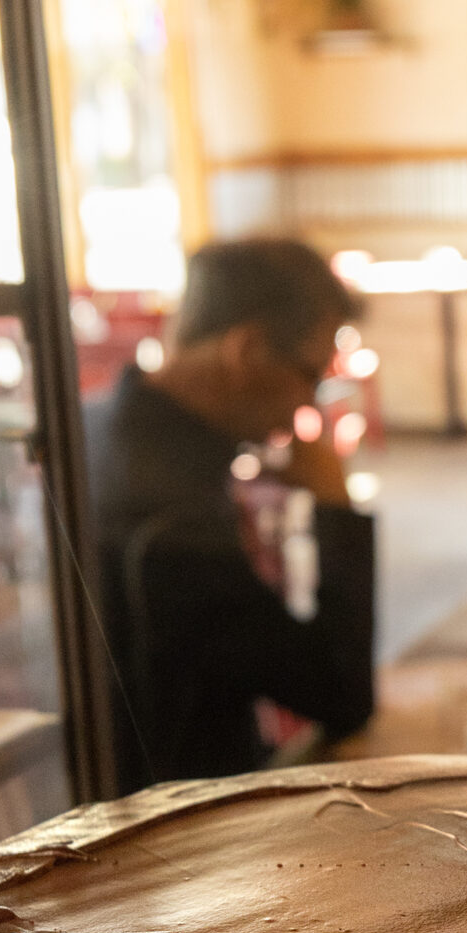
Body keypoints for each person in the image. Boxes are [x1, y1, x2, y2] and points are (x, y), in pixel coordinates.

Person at [85, 238, 375, 794]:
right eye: (310, 376)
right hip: (178, 841)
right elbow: (340, 693)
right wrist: (337, 511)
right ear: (246, 352)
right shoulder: (170, 514)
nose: (308, 406)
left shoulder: (101, 427)